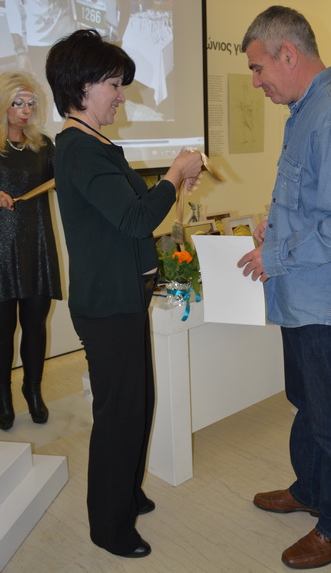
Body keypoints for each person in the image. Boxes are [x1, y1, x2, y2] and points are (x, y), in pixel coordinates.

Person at [237, 6, 331, 569]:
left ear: (288, 53)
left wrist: (277, 254)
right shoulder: (306, 112)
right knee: (309, 405)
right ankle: (311, 490)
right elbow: (317, 205)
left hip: (328, 304)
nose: (257, 83)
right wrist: (274, 226)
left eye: (258, 69)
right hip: (303, 298)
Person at [45, 28, 203, 558]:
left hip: (124, 300)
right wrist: (174, 174)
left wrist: (175, 182)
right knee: (120, 414)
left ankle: (127, 493)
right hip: (108, 305)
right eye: (114, 84)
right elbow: (137, 220)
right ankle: (108, 526)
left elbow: (130, 209)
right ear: (82, 86)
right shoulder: (80, 151)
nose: (121, 96)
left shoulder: (94, 146)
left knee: (138, 402)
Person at [0, 71, 62, 430]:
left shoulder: (43, 146)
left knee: (35, 325)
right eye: (17, 103)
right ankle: (3, 395)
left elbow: (64, 181)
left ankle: (33, 390)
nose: (25, 110)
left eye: (30, 104)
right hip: (1, 250)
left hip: (36, 245)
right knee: (3, 330)